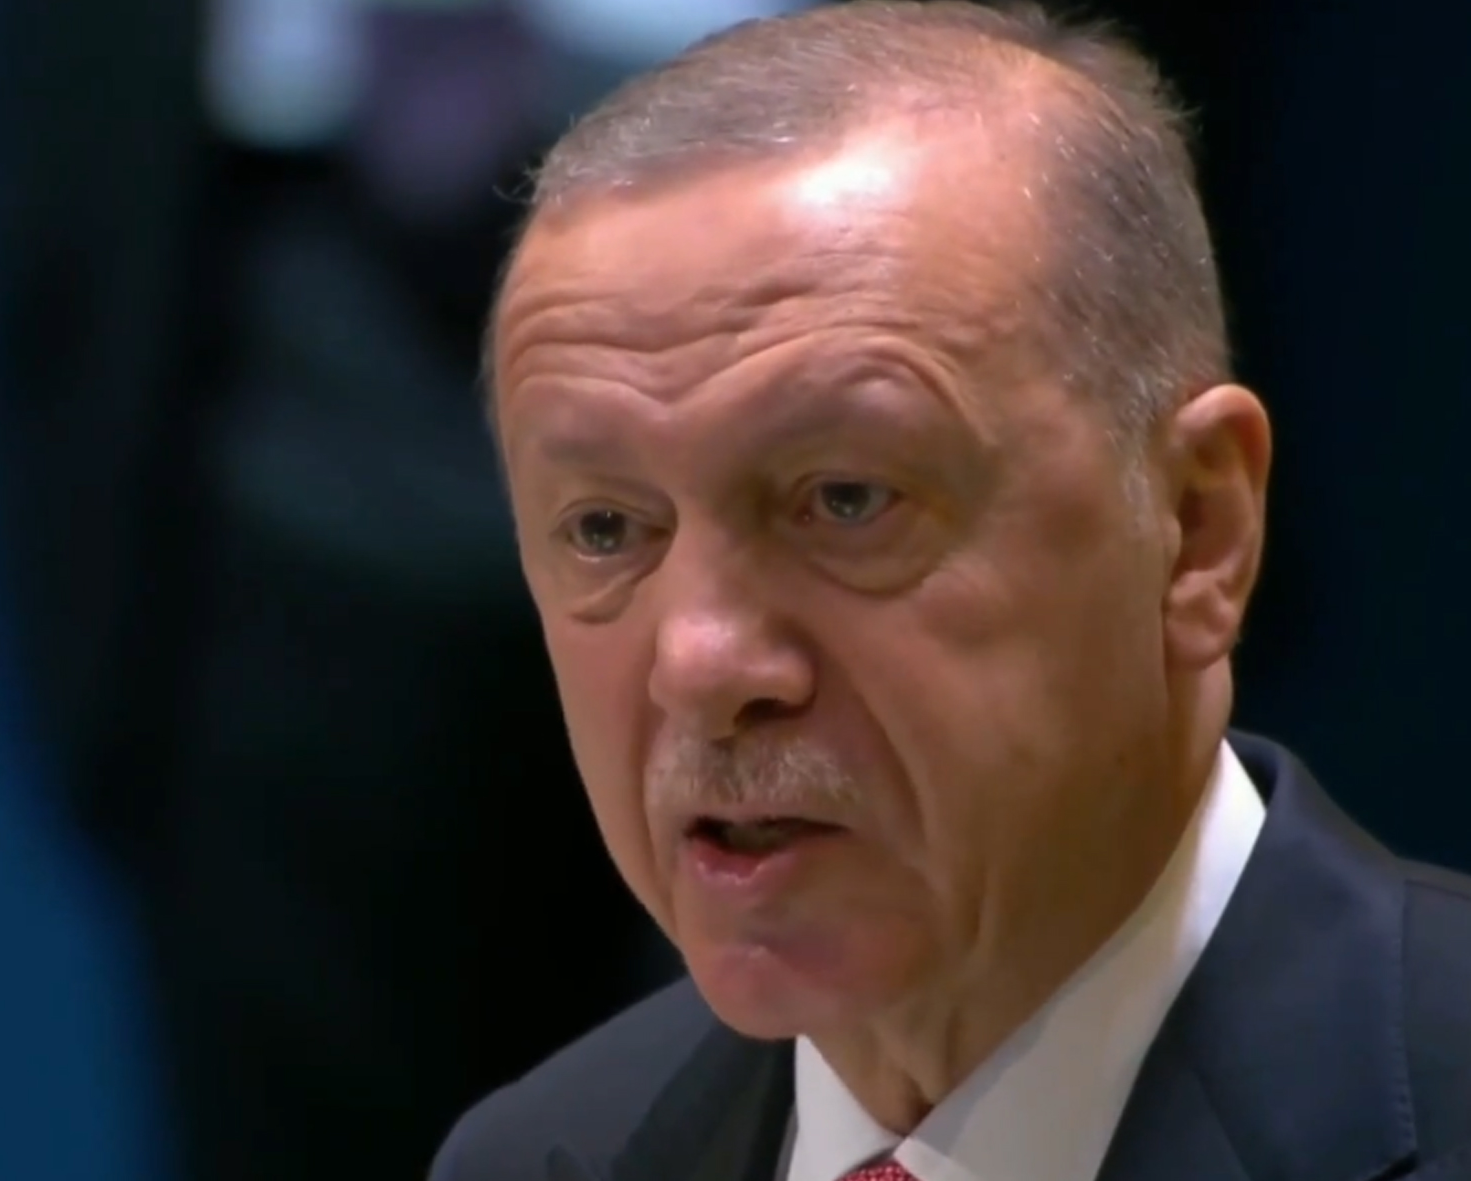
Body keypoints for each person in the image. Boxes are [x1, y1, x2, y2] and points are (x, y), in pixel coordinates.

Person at [429, 3, 1471, 1179]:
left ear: (1194, 529)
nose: (702, 664)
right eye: (604, 528)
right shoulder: (531, 1159)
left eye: (844, 499)